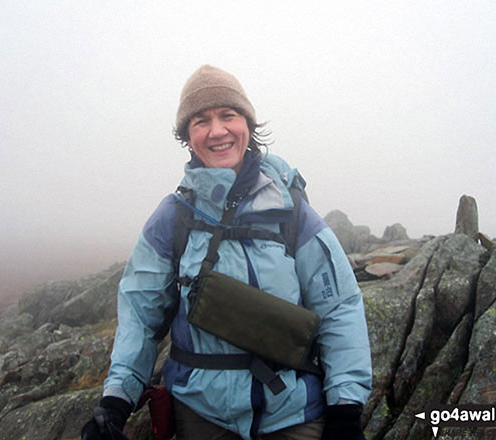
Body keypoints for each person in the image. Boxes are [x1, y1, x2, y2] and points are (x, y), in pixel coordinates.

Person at [81, 65, 372, 440]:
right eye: (201, 121)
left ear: (247, 124)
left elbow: (339, 306)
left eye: (228, 115)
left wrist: (346, 410)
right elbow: (140, 314)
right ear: (188, 137)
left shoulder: (291, 210)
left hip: (293, 412)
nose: (217, 131)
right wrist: (116, 401)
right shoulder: (173, 217)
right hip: (202, 416)